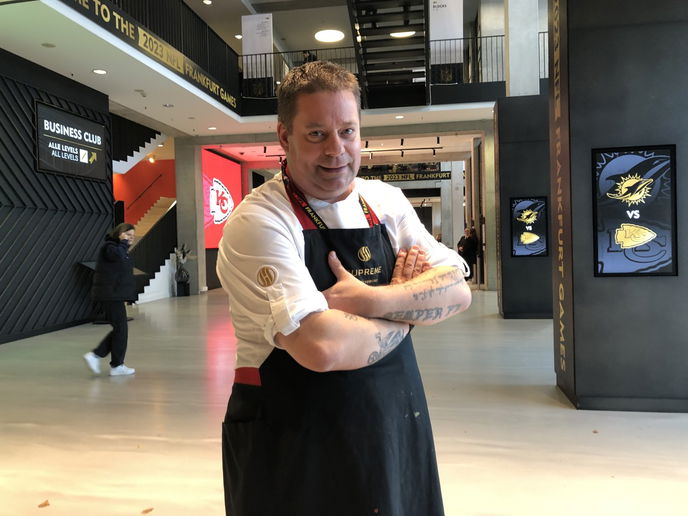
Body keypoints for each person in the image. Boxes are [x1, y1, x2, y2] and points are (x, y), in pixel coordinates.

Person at [216, 61, 472, 516]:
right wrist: (411, 306)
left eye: (347, 131)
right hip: (293, 441)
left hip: (393, 425)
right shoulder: (260, 221)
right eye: (316, 134)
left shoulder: (385, 201)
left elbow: (457, 291)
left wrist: (373, 299)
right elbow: (322, 347)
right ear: (283, 137)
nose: (336, 150)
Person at [83, 223, 137, 376]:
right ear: (119, 234)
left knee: (120, 329)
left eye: (132, 236)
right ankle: (104, 360)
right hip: (109, 295)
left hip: (114, 295)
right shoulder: (110, 247)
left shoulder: (120, 249)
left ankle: (107, 361)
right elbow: (116, 256)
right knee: (121, 329)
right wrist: (123, 243)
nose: (130, 239)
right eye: (127, 235)